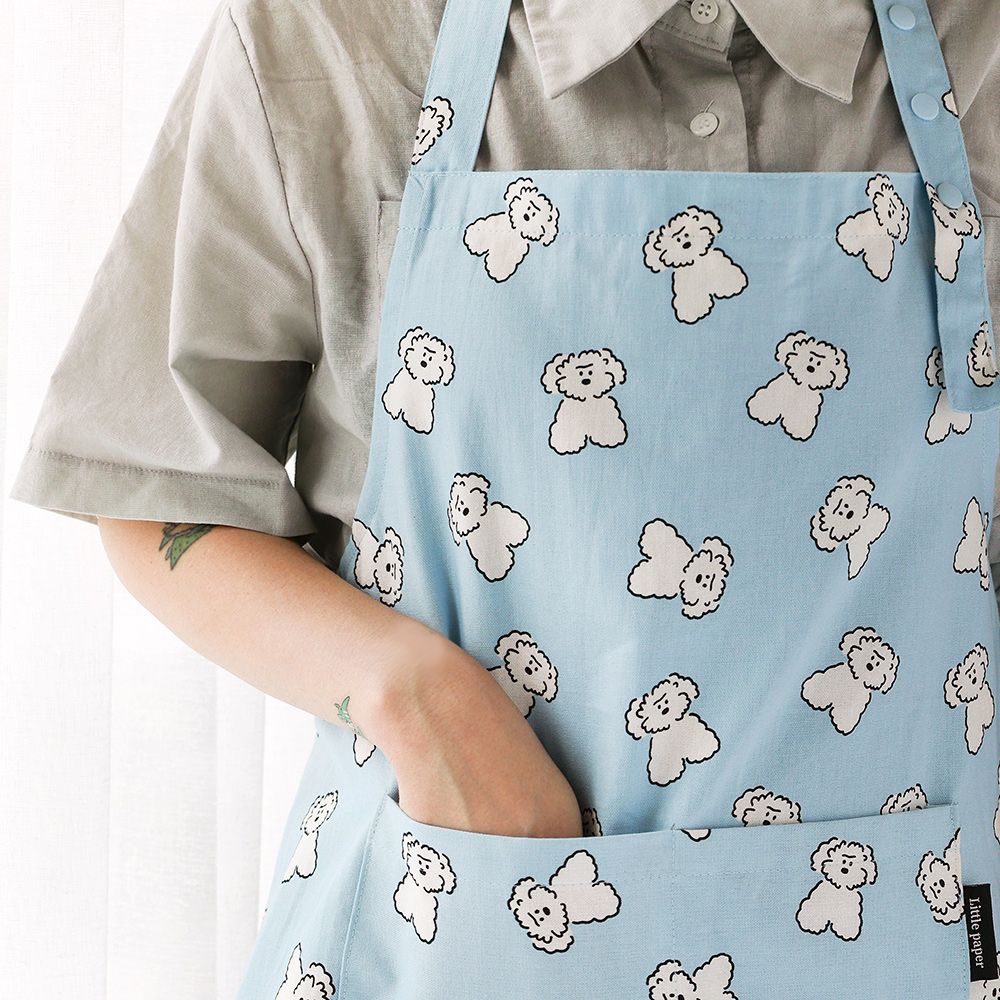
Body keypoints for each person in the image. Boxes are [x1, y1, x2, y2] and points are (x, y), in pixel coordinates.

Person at [10, 0, 1000, 996]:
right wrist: (416, 698)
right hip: (459, 923)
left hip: (911, 931)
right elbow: (154, 479)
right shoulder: (333, 36)